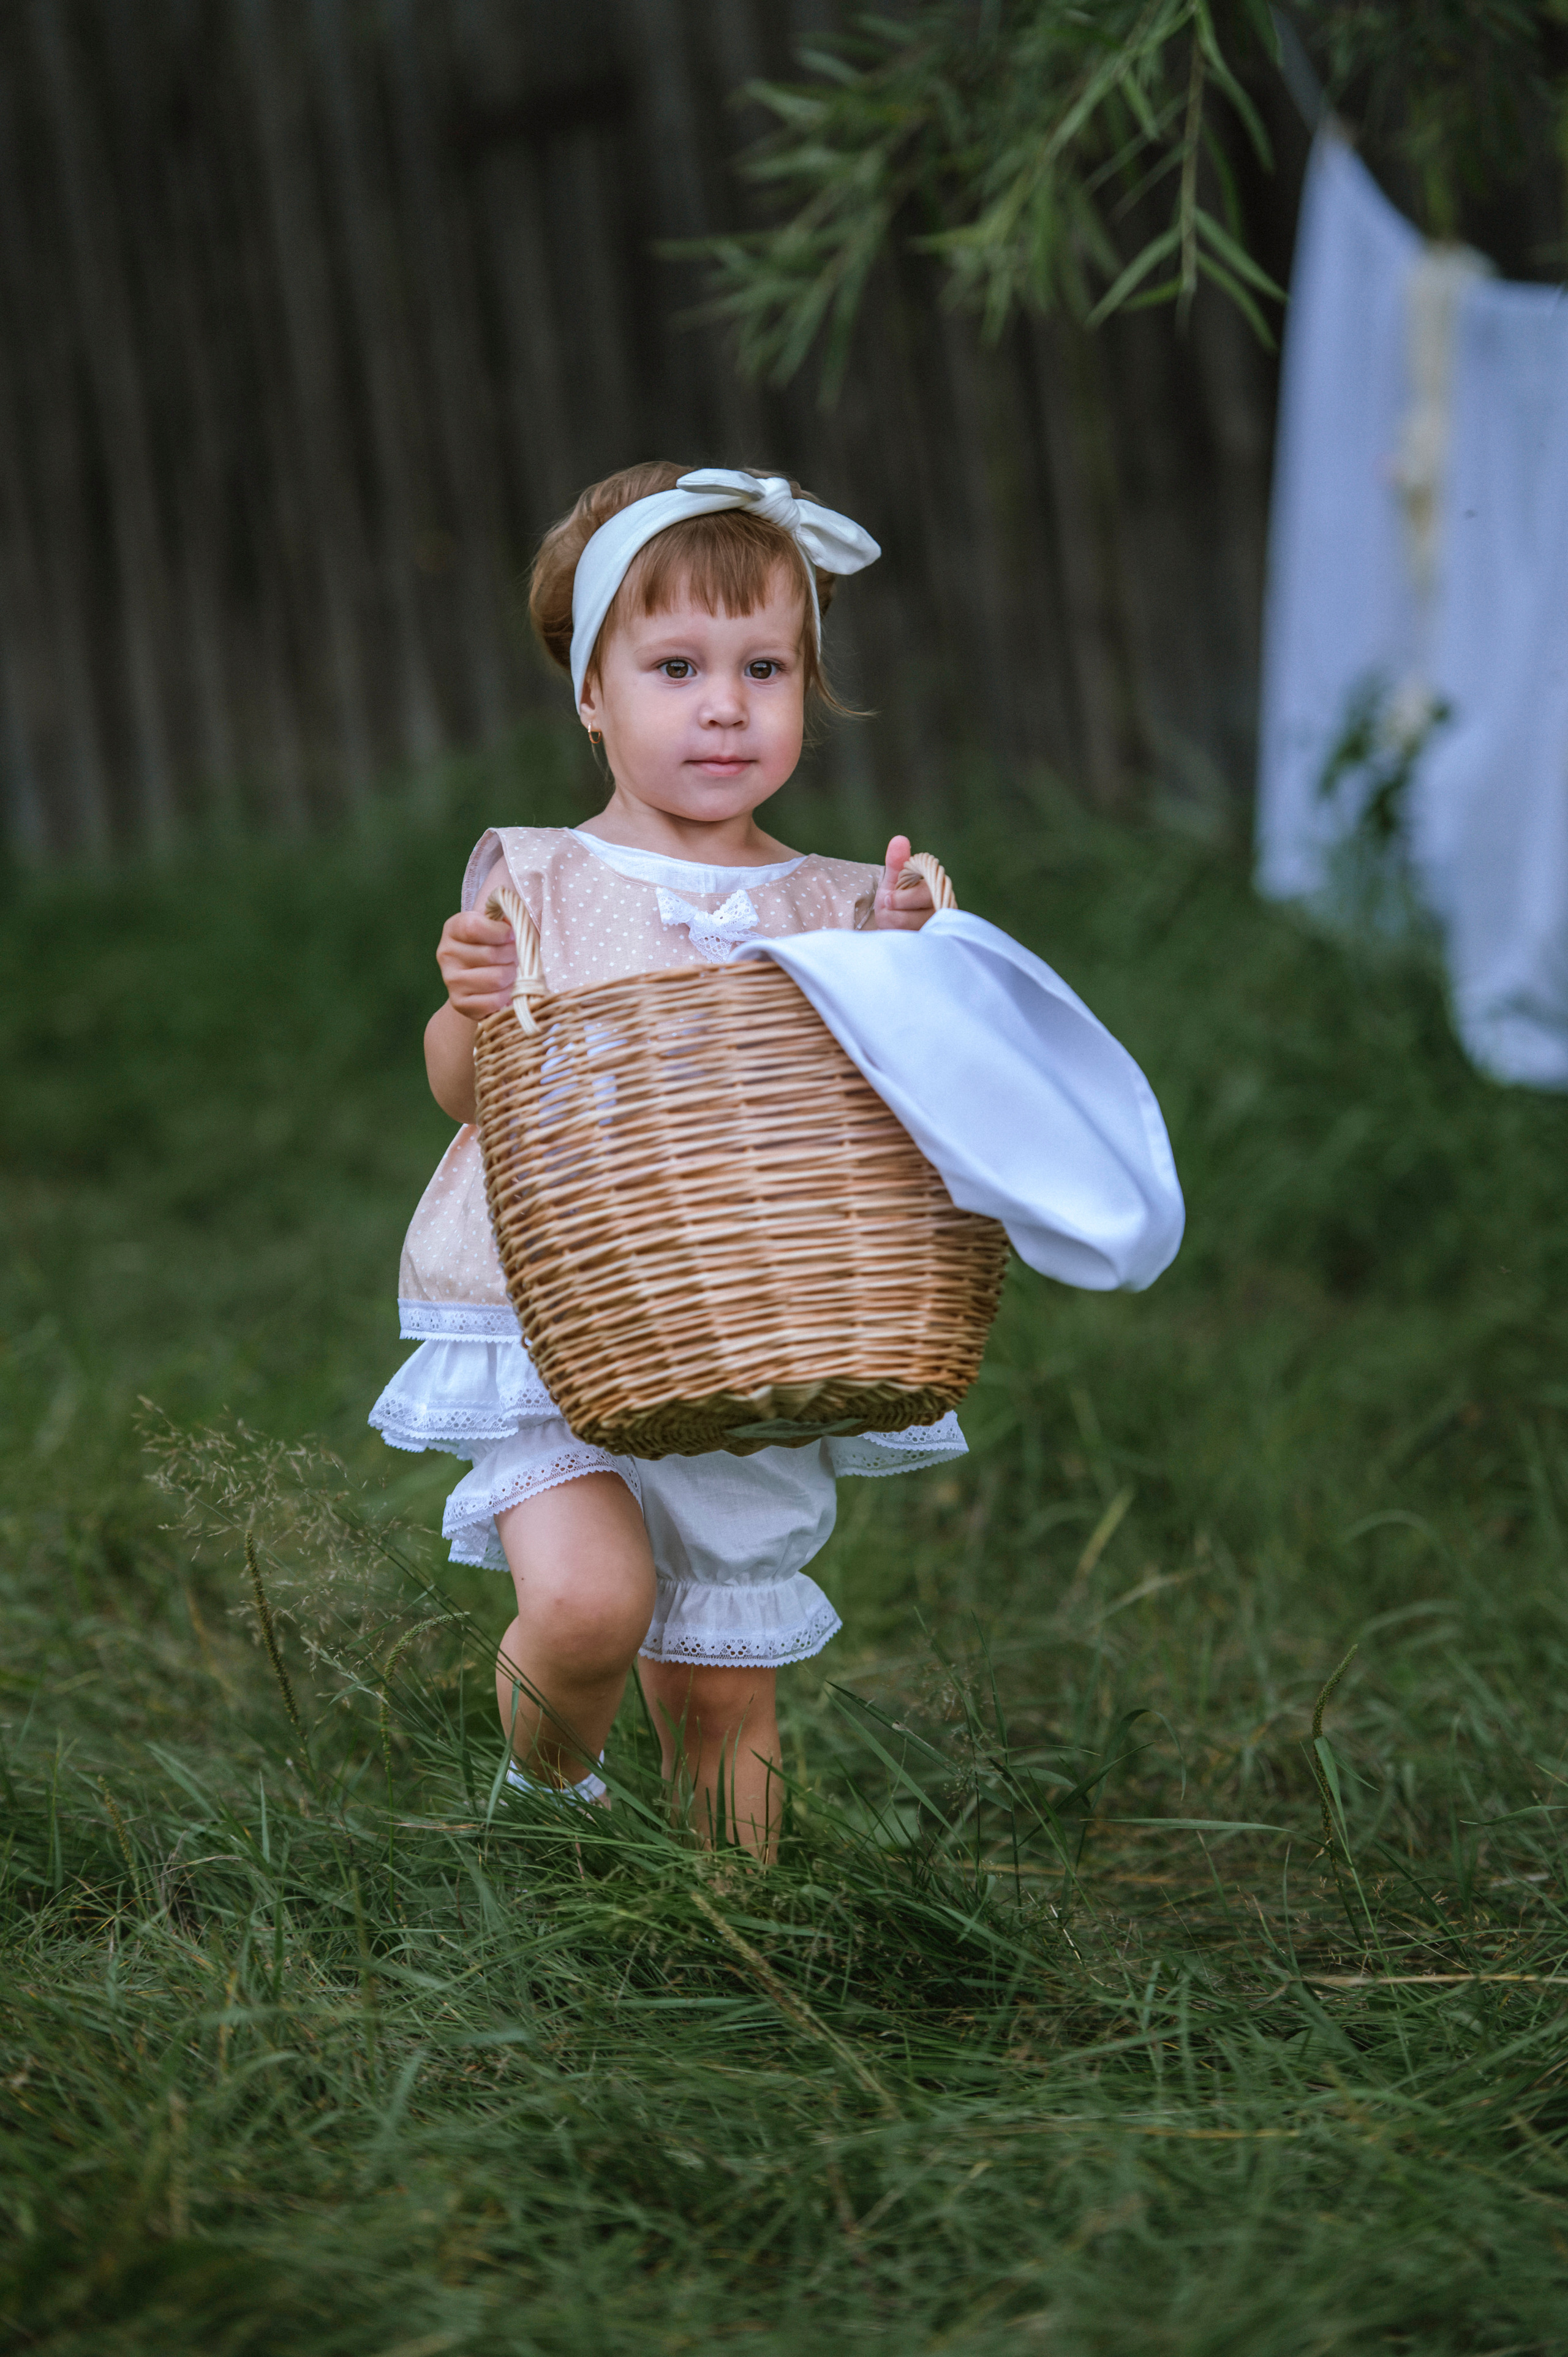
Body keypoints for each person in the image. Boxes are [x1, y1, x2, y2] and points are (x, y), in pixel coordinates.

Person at [370, 460, 1182, 1859]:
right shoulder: (538, 876)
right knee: (584, 1607)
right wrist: (470, 1005)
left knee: (713, 1680)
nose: (726, 703)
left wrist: (915, 950)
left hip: (751, 1319)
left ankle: (729, 1941)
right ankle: (546, 1801)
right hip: (560, 1314)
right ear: (590, 693)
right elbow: (468, 1093)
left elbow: (913, 1077)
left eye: (766, 664)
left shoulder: (829, 900)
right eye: (675, 664)